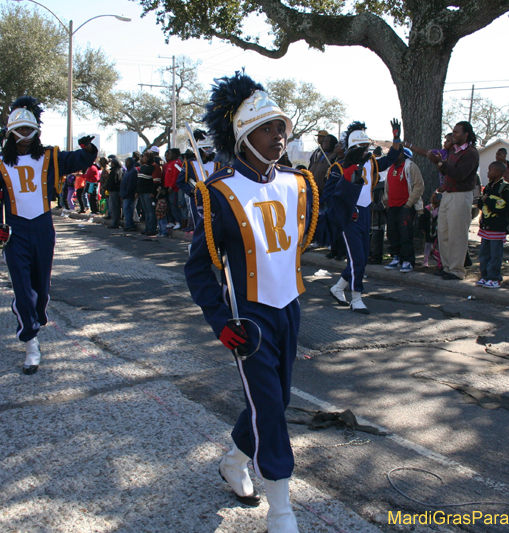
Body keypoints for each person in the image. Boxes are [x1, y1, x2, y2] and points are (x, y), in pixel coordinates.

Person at [187, 71, 363, 533]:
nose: (279, 135)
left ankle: (234, 458)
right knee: (269, 407)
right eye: (268, 128)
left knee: (277, 399)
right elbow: (198, 269)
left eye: (281, 126)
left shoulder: (299, 183)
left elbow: (321, 234)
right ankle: (282, 511)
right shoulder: (218, 192)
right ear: (244, 136)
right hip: (250, 319)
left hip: (290, 308)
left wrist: (348, 186)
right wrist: (221, 322)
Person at [0, 96, 98, 374]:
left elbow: (80, 159)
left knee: (41, 289)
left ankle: (35, 316)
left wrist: (88, 147)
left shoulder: (51, 157)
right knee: (23, 289)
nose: (24, 136)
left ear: (37, 131)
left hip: (44, 227)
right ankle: (30, 344)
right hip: (16, 232)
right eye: (18, 131)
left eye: (28, 130)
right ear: (10, 132)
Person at [328, 121, 402, 313]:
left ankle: (337, 288)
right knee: (358, 258)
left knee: (361, 259)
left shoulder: (371, 162)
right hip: (349, 217)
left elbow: (392, 157)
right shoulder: (338, 167)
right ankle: (356, 298)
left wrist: (396, 138)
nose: (364, 151)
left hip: (366, 212)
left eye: (365, 147)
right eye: (359, 148)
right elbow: (329, 195)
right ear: (351, 148)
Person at [434, 122, 479, 280]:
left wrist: (440, 163)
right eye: (453, 132)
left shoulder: (471, 153)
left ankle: (457, 270)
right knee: (444, 232)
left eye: (457, 132)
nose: (453, 135)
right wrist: (440, 163)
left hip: (461, 195)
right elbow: (446, 171)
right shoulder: (452, 150)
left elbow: (459, 175)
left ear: (466, 134)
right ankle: (447, 267)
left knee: (457, 234)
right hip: (447, 194)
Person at [383, 147, 424, 273]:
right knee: (392, 232)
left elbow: (419, 185)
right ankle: (396, 257)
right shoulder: (391, 168)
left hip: (405, 206)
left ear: (401, 154)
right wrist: (386, 200)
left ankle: (408, 261)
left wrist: (409, 203)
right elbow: (387, 186)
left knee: (405, 233)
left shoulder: (410, 166)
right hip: (392, 206)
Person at [475, 161, 509, 288]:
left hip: (497, 227)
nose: (488, 173)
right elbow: (482, 204)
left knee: (495, 254)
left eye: (490, 170)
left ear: (498, 172)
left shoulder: (504, 188)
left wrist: (487, 200)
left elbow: (503, 207)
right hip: (486, 226)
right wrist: (481, 201)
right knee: (484, 253)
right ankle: (485, 276)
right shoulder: (488, 187)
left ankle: (495, 278)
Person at [178, 130, 222, 231]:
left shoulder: (216, 164)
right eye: (206, 148)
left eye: (209, 147)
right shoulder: (189, 164)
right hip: (197, 199)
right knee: (200, 225)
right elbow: (180, 182)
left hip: (213, 198)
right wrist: (192, 191)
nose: (208, 150)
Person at [137, 151, 162, 235]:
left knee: (151, 211)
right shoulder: (144, 167)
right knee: (146, 211)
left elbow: (156, 181)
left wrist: (153, 192)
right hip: (142, 192)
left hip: (149, 193)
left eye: (144, 157)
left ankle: (152, 229)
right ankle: (147, 228)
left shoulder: (155, 167)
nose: (143, 158)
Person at [104, 156, 123, 228]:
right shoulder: (119, 170)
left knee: (114, 207)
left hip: (114, 191)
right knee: (116, 207)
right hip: (115, 190)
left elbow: (114, 182)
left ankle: (115, 223)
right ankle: (115, 222)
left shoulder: (115, 171)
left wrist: (109, 187)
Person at [120, 157, 138, 231]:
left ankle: (130, 225)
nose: (127, 164)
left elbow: (131, 184)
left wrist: (126, 193)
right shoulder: (127, 171)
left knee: (128, 209)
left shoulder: (133, 171)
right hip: (124, 194)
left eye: (128, 162)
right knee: (126, 210)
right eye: (126, 162)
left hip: (129, 194)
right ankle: (128, 224)